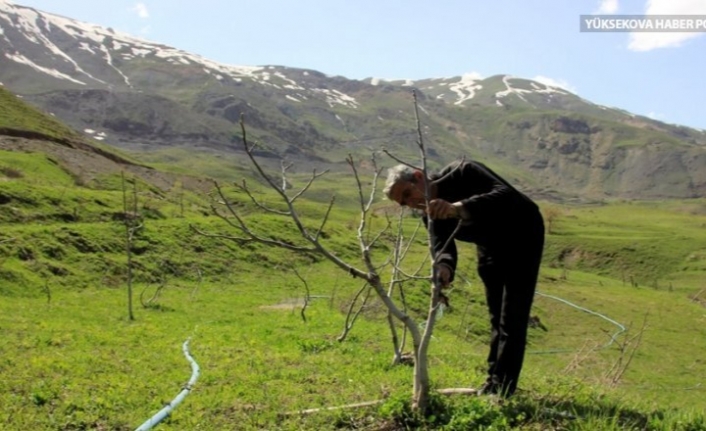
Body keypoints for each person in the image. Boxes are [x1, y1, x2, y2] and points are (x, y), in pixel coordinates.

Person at [383, 159, 545, 397]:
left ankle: (503, 389)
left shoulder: (464, 172)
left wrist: (457, 208)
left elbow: (505, 195)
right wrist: (444, 270)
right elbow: (443, 247)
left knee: (513, 316)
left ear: (419, 176)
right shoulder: (430, 216)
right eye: (404, 202)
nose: (411, 203)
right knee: (495, 315)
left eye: (408, 193)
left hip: (523, 234)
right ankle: (493, 382)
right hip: (491, 246)